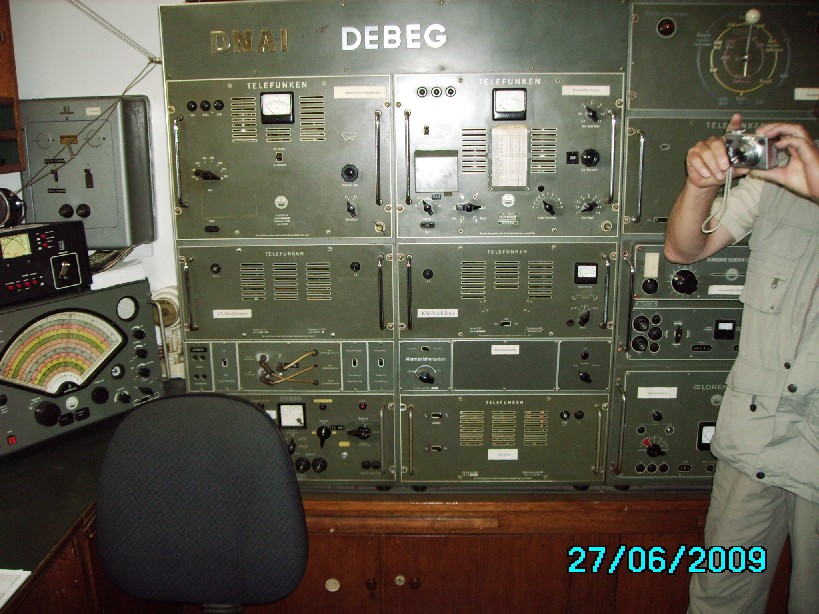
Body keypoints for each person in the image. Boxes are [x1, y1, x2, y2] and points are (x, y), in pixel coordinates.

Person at [664, 113, 818, 614]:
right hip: (756, 433)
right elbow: (683, 248)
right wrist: (700, 184)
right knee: (720, 598)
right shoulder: (779, 174)